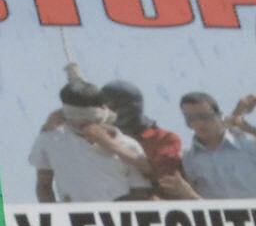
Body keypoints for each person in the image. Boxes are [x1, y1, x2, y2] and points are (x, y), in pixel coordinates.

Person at [29, 70, 148, 203]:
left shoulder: (128, 146)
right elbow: (43, 186)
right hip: (73, 217)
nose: (81, 125)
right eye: (76, 119)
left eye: (87, 120)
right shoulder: (50, 140)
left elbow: (140, 192)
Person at [178, 89, 256, 200]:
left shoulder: (254, 148)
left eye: (204, 117)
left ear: (219, 115)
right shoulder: (187, 160)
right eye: (190, 119)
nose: (198, 123)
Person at [100, 80, 189, 198]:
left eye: (109, 108)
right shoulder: (104, 136)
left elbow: (164, 177)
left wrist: (113, 147)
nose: (105, 113)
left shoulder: (164, 139)